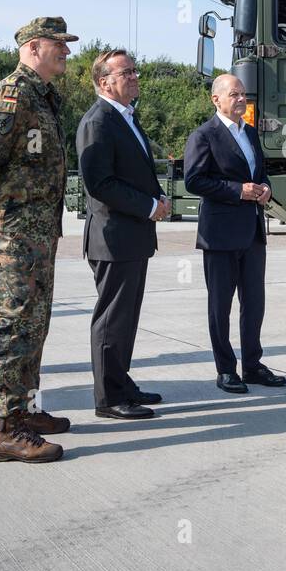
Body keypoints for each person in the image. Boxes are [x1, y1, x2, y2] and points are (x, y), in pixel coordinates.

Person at [0, 17, 76, 463]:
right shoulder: (13, 93)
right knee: (12, 325)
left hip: (37, 231)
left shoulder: (43, 96)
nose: (66, 51)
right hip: (12, 229)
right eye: (59, 45)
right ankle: (5, 429)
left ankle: (26, 410)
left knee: (33, 324)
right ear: (33, 47)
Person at [77, 49, 170, 420]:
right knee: (111, 318)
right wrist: (149, 206)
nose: (134, 77)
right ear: (104, 82)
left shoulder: (125, 117)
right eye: (125, 72)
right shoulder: (98, 121)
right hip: (112, 237)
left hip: (131, 236)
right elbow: (100, 183)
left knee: (127, 316)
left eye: (135, 70)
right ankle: (109, 397)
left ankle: (121, 382)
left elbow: (133, 172)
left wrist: (156, 197)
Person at [183, 74, 286, 394]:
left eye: (243, 94)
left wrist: (266, 188)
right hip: (221, 233)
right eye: (234, 94)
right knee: (220, 305)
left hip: (252, 232)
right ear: (216, 100)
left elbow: (260, 173)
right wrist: (237, 191)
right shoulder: (204, 136)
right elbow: (194, 181)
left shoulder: (251, 134)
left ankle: (253, 365)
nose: (241, 99)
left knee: (254, 303)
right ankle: (226, 369)